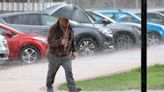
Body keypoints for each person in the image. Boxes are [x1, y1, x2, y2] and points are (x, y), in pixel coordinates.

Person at [46, 17, 81, 92]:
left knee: (69, 72)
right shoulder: (53, 28)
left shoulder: (69, 28)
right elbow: (49, 41)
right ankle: (49, 88)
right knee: (51, 73)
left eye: (68, 19)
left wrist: (74, 50)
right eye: (65, 19)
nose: (67, 21)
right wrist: (60, 42)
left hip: (66, 55)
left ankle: (72, 88)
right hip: (54, 55)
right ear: (60, 19)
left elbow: (72, 39)